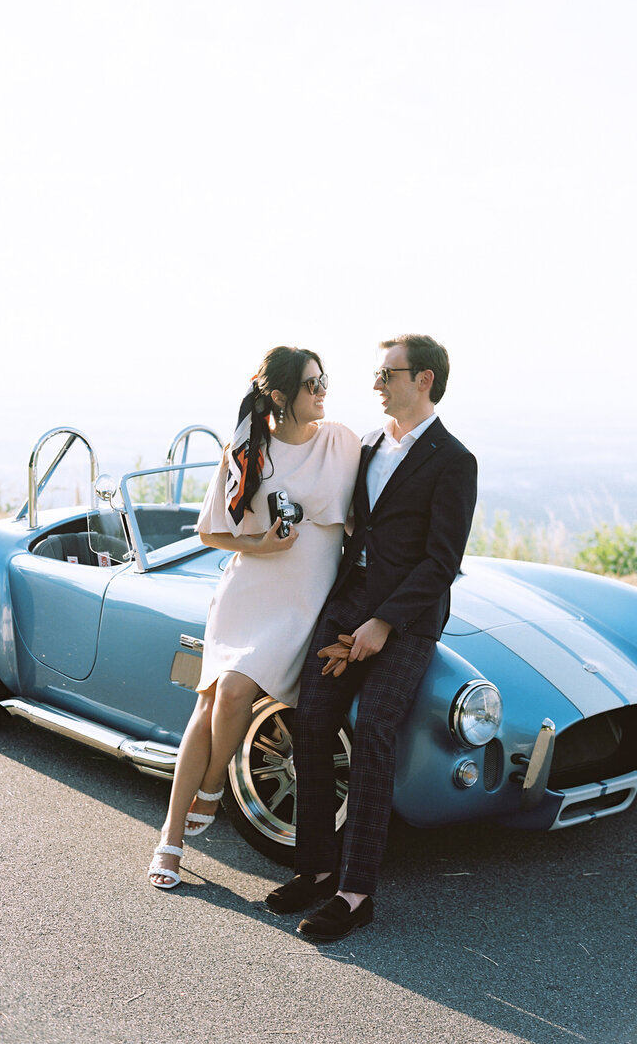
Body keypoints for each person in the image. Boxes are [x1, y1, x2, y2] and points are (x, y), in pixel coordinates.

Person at [266, 334, 477, 939]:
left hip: (407, 620)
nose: (377, 383)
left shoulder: (455, 461)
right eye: (379, 373)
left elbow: (442, 561)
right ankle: (313, 872)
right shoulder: (362, 444)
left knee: (376, 731)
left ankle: (356, 893)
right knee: (308, 721)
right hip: (345, 605)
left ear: (424, 381)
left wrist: (383, 623)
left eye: (390, 373)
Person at [148, 346, 360, 890]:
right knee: (214, 697)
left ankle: (213, 785)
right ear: (279, 396)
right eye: (312, 384)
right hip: (250, 592)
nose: (322, 391)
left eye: (323, 381)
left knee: (232, 691)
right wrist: (263, 544)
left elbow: (366, 515)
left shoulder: (342, 441)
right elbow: (211, 531)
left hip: (306, 601)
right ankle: (171, 837)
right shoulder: (247, 450)